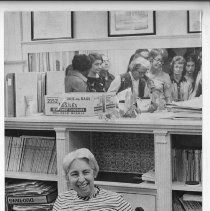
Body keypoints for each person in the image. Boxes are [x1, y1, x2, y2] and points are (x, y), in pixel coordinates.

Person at [53, 148, 133, 211]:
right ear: (67, 178)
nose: (81, 179)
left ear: (94, 173)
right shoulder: (62, 200)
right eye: (75, 174)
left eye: (86, 172)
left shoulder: (115, 200)